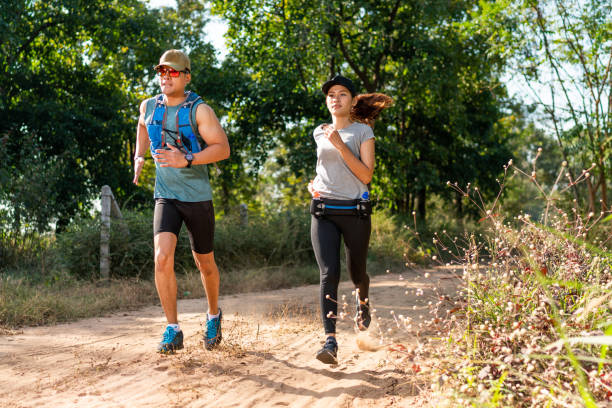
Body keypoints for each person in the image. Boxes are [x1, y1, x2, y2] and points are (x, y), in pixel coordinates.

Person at [132, 49, 230, 354]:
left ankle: (213, 314)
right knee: (162, 257)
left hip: (198, 198)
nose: (166, 77)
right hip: (166, 195)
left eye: (173, 72)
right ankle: (173, 329)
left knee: (205, 263)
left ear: (186, 76)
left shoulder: (200, 111)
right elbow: (142, 126)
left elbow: (222, 149)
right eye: (162, 72)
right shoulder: (148, 105)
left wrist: (185, 158)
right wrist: (139, 156)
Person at [309, 74, 392, 364]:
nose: (335, 98)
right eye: (331, 94)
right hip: (323, 210)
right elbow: (325, 169)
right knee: (328, 273)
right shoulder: (319, 132)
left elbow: (366, 175)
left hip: (355, 212)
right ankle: (330, 341)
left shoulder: (362, 132)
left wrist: (341, 145)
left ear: (352, 100)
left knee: (357, 273)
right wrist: (313, 184)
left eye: (342, 93)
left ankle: (363, 300)